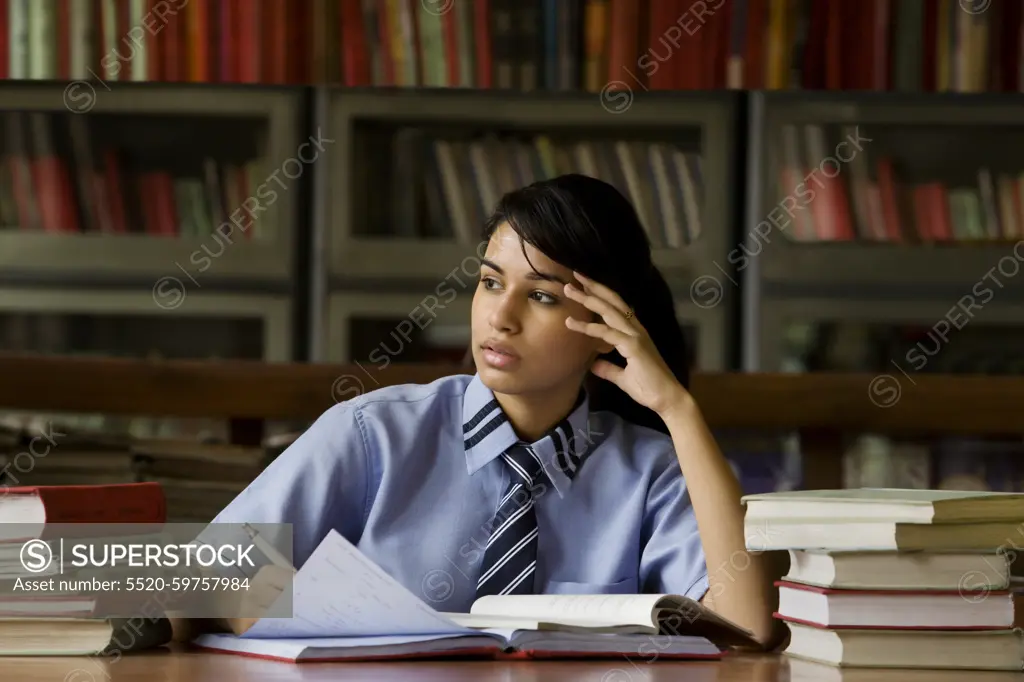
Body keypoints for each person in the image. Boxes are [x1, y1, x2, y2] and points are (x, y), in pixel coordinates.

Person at [170, 174, 775, 646]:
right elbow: (193, 576)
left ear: (605, 325)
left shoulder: (648, 471)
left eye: (539, 296)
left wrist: (676, 408)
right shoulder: (373, 435)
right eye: (490, 282)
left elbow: (748, 625)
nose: (499, 317)